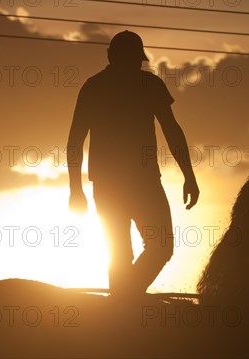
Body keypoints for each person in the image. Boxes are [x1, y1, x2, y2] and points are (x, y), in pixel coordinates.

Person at [67, 30, 199, 298]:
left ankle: (123, 301)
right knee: (131, 252)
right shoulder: (100, 87)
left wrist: (190, 174)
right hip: (129, 183)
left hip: (130, 182)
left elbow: (172, 130)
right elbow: (74, 141)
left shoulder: (114, 85)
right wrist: (74, 190)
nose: (136, 65)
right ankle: (125, 306)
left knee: (144, 249)